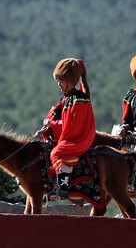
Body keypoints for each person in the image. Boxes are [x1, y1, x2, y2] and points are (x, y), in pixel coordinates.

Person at [37, 58, 96, 200]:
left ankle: (63, 187)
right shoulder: (64, 99)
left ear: (70, 80)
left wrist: (53, 125)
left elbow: (75, 125)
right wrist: (46, 130)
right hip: (68, 135)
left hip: (78, 138)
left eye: (61, 80)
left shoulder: (79, 98)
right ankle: (49, 187)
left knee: (56, 153)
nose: (59, 84)